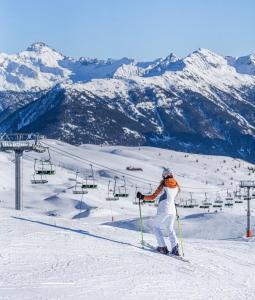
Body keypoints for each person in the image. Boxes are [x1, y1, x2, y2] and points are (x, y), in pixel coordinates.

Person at [137, 168, 180, 255]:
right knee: (170, 228)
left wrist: (142, 197)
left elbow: (153, 197)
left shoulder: (164, 184)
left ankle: (162, 247)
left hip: (164, 209)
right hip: (173, 211)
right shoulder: (177, 186)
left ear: (164, 175)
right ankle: (175, 248)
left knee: (156, 227)